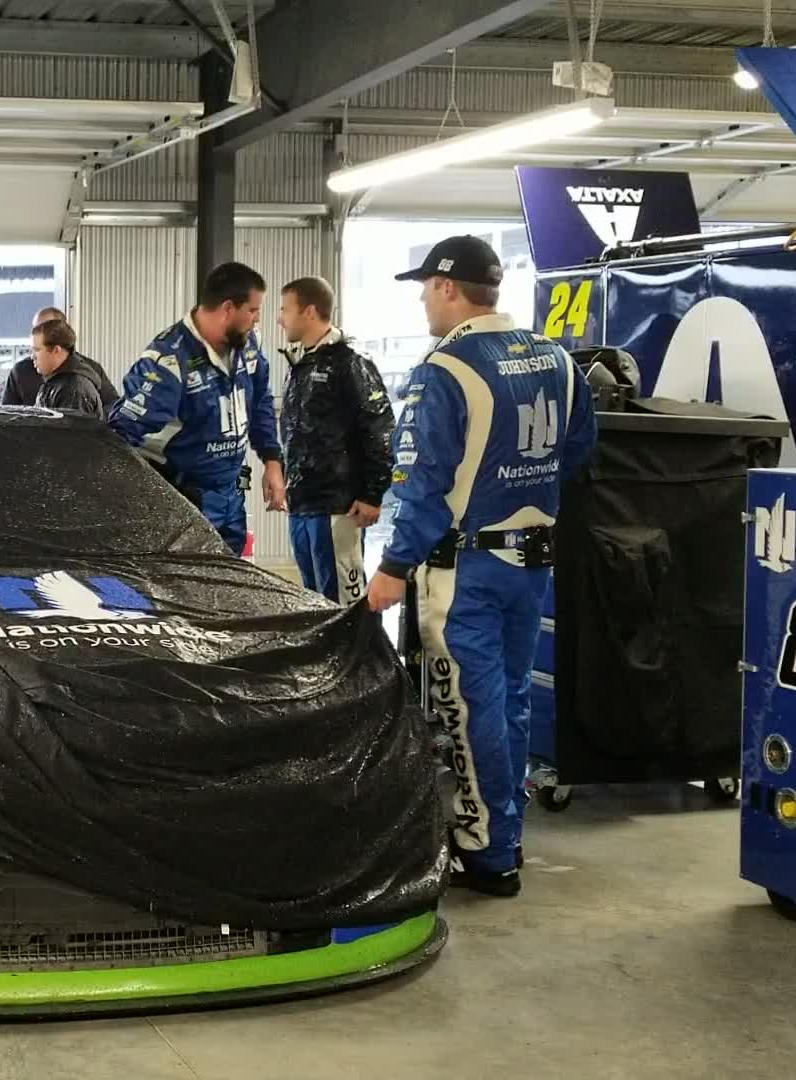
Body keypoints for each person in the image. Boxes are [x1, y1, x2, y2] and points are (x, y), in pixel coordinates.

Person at [366, 235, 596, 899]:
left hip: (464, 567)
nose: (421, 303)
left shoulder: (447, 368)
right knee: (511, 700)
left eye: (424, 290)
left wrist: (393, 564)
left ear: (447, 288)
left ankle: (486, 851)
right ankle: (506, 831)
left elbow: (422, 482)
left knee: (468, 706)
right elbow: (579, 446)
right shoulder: (555, 357)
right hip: (532, 559)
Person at [109, 262, 283, 555]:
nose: (258, 319)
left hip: (232, 493)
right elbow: (120, 434)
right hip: (184, 502)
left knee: (232, 583)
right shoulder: (167, 359)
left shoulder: (249, 343)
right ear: (228, 308)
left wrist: (272, 461)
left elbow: (261, 400)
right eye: (252, 311)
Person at [276, 277, 394, 605]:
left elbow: (380, 428)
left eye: (285, 309)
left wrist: (372, 494)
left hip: (338, 507)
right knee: (313, 600)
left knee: (344, 602)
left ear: (310, 312)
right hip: (303, 504)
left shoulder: (350, 362)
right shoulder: (300, 363)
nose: (279, 318)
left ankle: (359, 658)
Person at [1, 306, 118, 411]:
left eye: (49, 328)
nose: (40, 332)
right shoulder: (20, 371)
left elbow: (113, 406)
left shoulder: (84, 377)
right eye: (38, 329)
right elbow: (7, 415)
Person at [29, 318, 104, 415]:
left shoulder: (74, 390)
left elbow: (68, 429)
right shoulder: (56, 383)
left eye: (37, 350)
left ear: (56, 350)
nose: (32, 356)